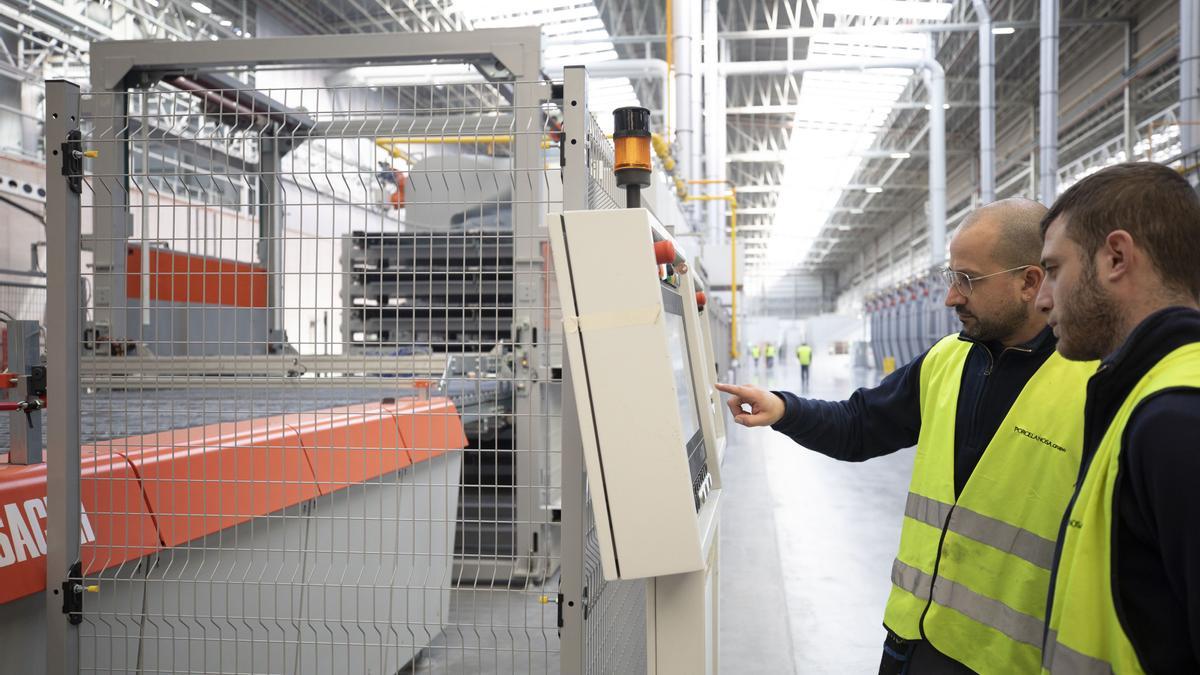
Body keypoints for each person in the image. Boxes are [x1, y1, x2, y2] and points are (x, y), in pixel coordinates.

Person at [715, 198, 1097, 674]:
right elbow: (860, 426)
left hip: (1001, 662)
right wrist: (786, 409)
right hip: (910, 641)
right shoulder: (947, 361)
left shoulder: (1092, 386)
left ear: (1030, 282)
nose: (951, 297)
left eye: (968, 280)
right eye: (950, 277)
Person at [1036, 162, 1200, 673]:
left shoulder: (1176, 420)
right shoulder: (1143, 393)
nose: (1043, 300)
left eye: (1055, 270)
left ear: (1116, 257)